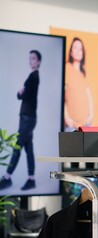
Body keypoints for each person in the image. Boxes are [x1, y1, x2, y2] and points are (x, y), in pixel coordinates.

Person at [0, 50, 41, 191]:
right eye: (30, 58)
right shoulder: (32, 76)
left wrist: (21, 91)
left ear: (39, 62)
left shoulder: (34, 77)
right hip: (26, 118)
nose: (31, 61)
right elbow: (20, 95)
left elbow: (24, 94)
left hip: (28, 119)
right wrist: (20, 92)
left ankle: (7, 178)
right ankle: (31, 179)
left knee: (17, 147)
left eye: (34, 58)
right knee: (28, 149)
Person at [64, 37, 93, 131]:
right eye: (75, 47)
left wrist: (91, 116)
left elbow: (89, 96)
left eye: (80, 48)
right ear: (71, 52)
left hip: (86, 125)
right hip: (71, 125)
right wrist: (67, 118)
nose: (78, 51)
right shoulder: (66, 68)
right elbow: (61, 96)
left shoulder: (83, 73)